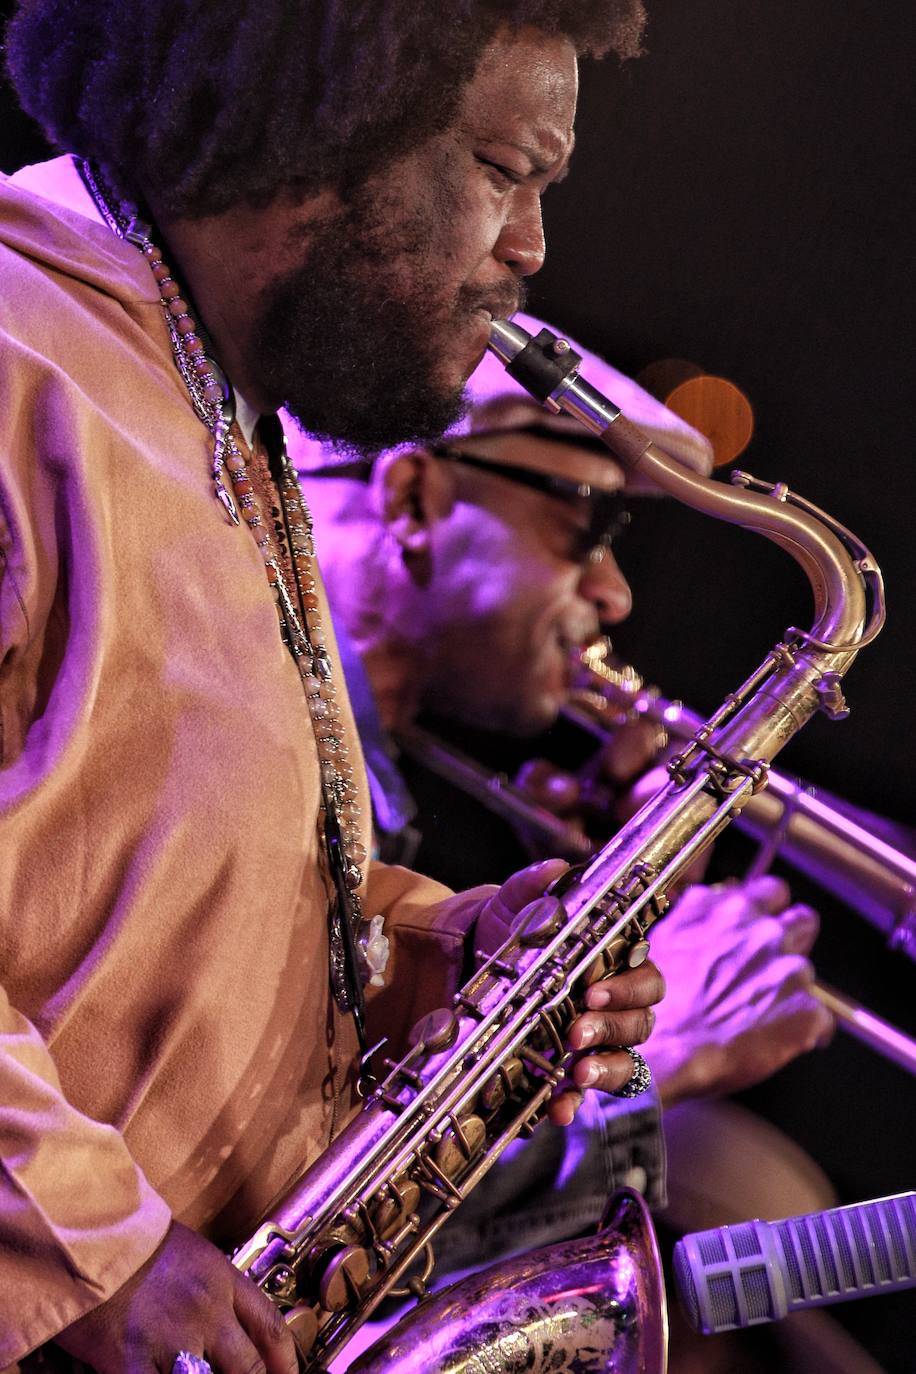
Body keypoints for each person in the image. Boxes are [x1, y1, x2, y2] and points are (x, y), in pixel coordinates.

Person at [0, 6, 670, 1372]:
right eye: (504, 171)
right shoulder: (22, 355)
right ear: (321, 127)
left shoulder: (211, 396)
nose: (532, 251)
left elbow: (128, 875)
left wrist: (437, 950)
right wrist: (105, 1248)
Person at [292, 325, 889, 1372]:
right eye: (589, 526)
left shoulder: (375, 779)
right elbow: (342, 1245)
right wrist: (667, 1050)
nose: (616, 594)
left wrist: (607, 934)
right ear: (414, 497)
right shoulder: (282, 751)